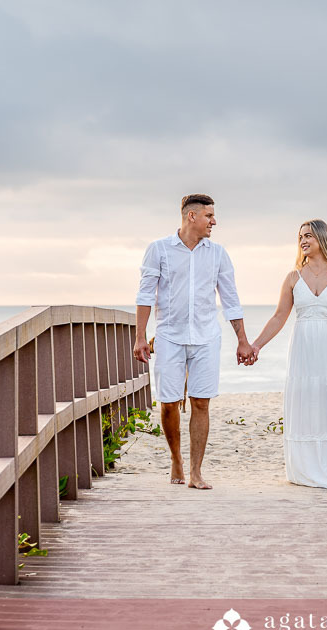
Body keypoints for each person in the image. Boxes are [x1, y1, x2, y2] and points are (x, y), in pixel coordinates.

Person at [133, 194, 257, 490]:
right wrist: (140, 337)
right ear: (192, 217)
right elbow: (145, 295)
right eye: (209, 216)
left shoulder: (218, 254)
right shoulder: (159, 250)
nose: (214, 222)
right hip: (169, 336)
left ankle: (196, 471)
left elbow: (230, 299)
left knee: (201, 402)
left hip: (205, 337)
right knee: (168, 403)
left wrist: (242, 340)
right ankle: (176, 458)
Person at [251, 219, 327, 488]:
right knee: (306, 403)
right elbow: (279, 316)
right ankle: (304, 469)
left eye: (309, 236)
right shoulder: (292, 278)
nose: (303, 240)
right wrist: (256, 345)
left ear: (322, 238)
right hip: (304, 348)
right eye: (300, 236)